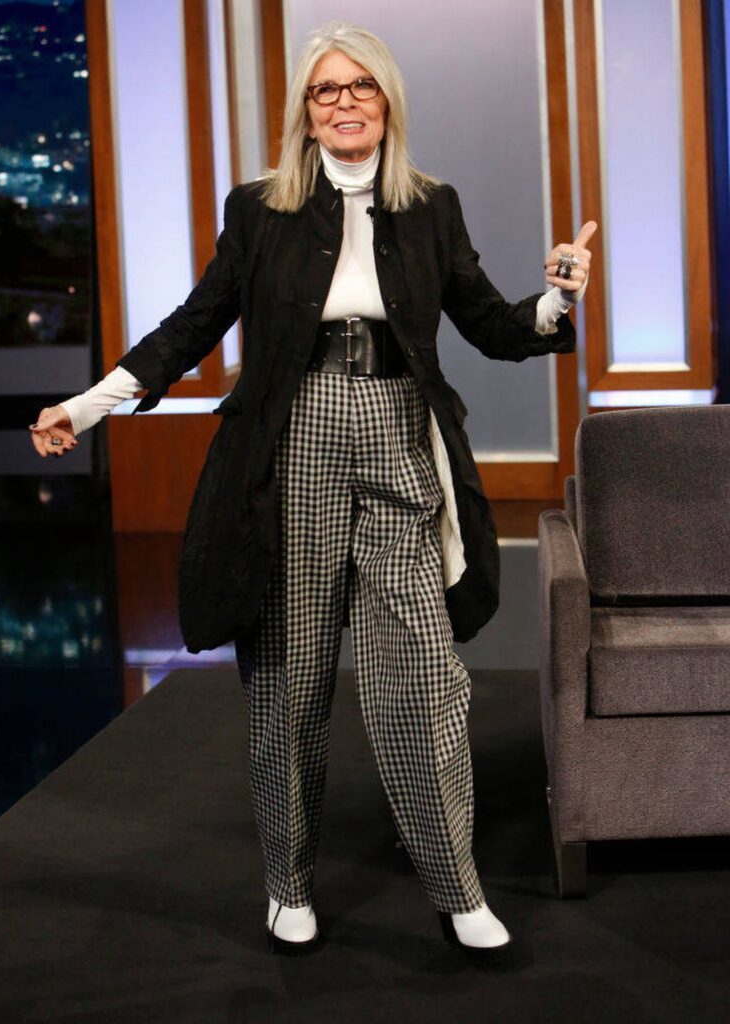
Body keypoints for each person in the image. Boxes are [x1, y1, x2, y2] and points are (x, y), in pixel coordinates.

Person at [29, 21, 593, 958]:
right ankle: (288, 883)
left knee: (425, 673)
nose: (343, 103)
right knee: (289, 676)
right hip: (293, 440)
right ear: (305, 110)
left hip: (399, 429)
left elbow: (491, 324)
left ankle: (457, 887)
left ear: (387, 102)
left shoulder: (431, 205)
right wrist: (88, 406)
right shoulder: (261, 210)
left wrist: (557, 300)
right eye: (325, 90)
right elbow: (194, 323)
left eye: (359, 87)